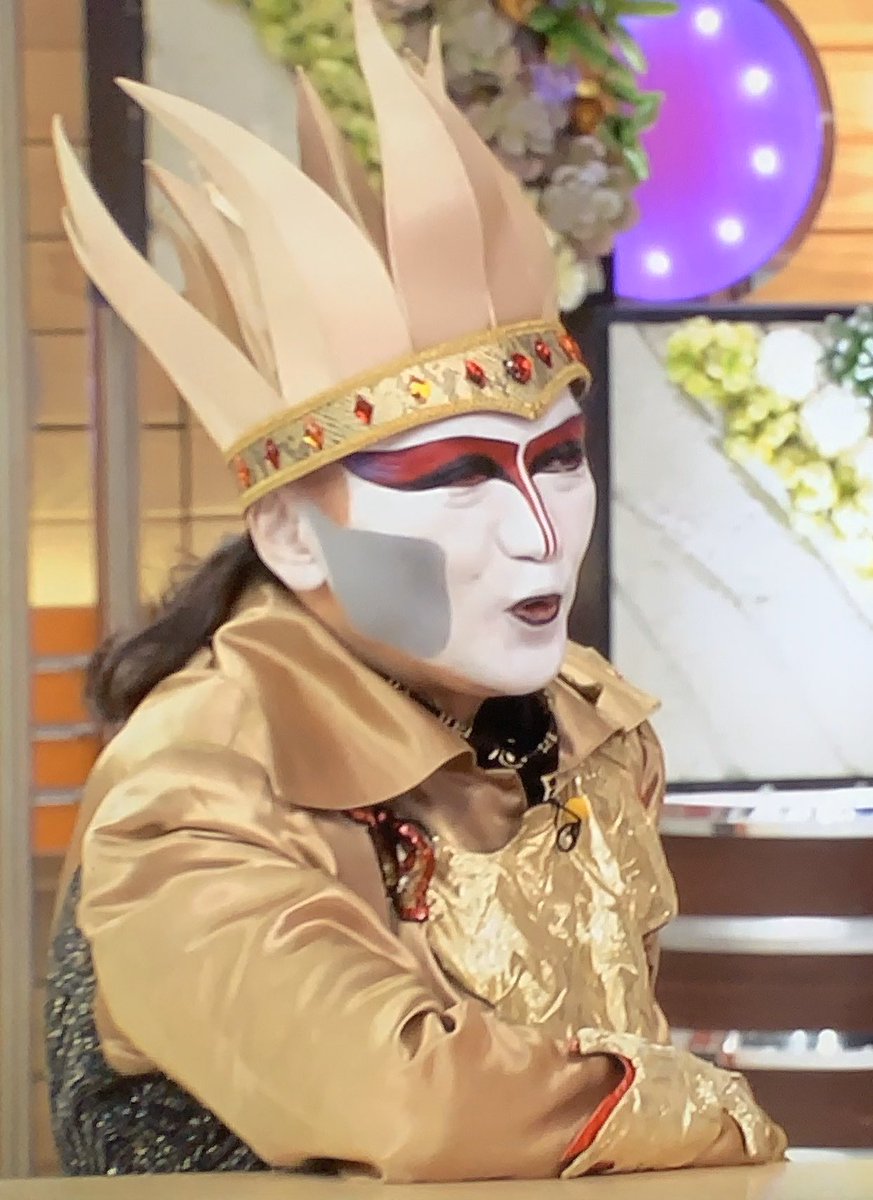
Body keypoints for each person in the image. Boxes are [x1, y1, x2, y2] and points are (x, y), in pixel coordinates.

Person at [46, 0, 786, 1180]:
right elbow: (422, 1107)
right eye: (456, 478)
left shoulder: (589, 722)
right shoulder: (195, 786)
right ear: (293, 534)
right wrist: (714, 1108)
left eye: (558, 460)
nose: (539, 533)